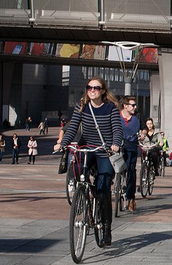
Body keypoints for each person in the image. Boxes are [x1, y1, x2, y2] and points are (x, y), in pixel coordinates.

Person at [55, 77, 123, 245]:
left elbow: (117, 129)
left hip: (104, 150)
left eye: (96, 88)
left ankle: (106, 228)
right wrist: (63, 144)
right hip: (86, 146)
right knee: (77, 169)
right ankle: (83, 195)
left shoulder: (111, 108)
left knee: (103, 187)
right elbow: (72, 128)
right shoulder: (82, 106)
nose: (92, 90)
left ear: (103, 91)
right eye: (89, 87)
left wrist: (115, 144)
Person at [120, 96, 141, 212]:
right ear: (125, 106)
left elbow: (141, 129)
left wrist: (142, 134)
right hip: (118, 147)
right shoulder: (117, 117)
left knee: (131, 171)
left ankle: (131, 198)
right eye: (133, 105)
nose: (135, 107)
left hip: (131, 147)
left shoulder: (136, 118)